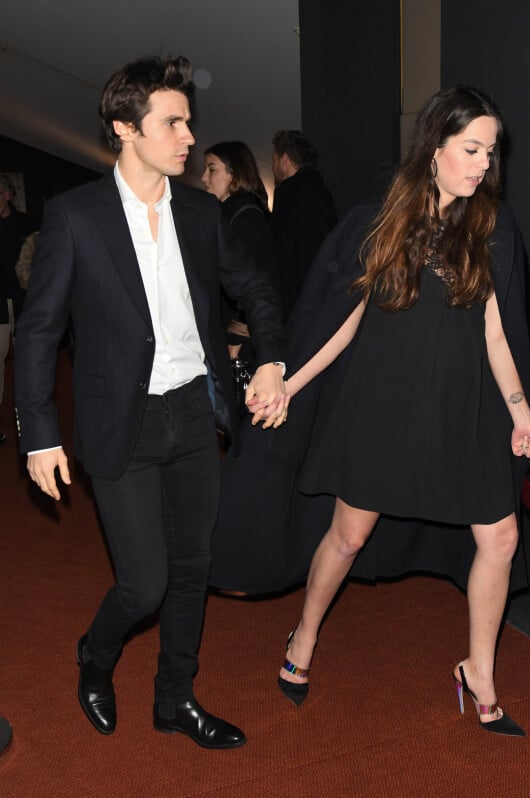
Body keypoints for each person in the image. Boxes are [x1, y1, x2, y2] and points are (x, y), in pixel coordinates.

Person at [14, 55, 288, 750]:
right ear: (124, 129)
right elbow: (40, 332)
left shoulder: (201, 212)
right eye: (172, 123)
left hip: (195, 415)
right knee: (143, 585)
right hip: (121, 423)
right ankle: (95, 655)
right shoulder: (74, 217)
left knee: (194, 572)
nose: (188, 137)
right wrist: (39, 435)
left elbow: (254, 288)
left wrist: (274, 357)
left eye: (189, 123)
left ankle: (176, 700)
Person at [272, 85, 530, 736]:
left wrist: (522, 414)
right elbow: (344, 318)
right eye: (472, 149)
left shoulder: (490, 225)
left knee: (501, 538)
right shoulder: (386, 218)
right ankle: (303, 635)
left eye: (491, 152)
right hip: (386, 405)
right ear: (435, 147)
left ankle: (478, 671)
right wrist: (290, 381)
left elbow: (496, 334)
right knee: (349, 535)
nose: (483, 164)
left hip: (465, 407)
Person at [201, 140, 277, 363]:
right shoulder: (230, 215)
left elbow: (254, 281)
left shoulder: (246, 218)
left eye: (212, 169)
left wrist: (235, 339)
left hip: (239, 344)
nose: (204, 177)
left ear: (233, 174)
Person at [271, 130, 337, 320]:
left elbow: (306, 259)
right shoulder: (314, 191)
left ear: (284, 160)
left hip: (302, 310)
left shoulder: (299, 196)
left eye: (274, 159)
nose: (273, 166)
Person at [0, 176, 30, 443]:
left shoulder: (25, 223)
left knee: (28, 359)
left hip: (23, 301)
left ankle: (28, 417)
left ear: (9, 194)